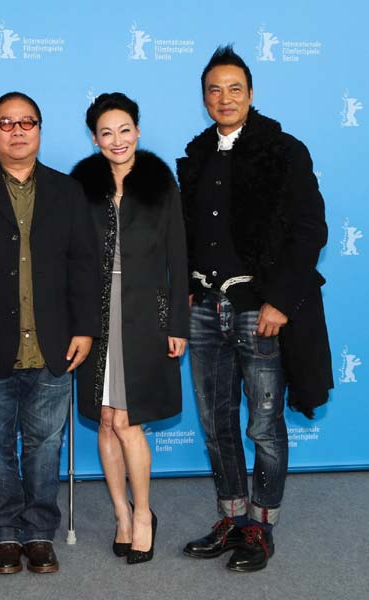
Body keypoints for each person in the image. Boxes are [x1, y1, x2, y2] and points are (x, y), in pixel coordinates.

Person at [177, 45, 332, 572]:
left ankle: (261, 527)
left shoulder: (284, 151)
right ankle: (231, 517)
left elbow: (310, 229)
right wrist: (188, 285)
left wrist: (280, 301)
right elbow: (188, 232)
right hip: (205, 309)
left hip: (259, 310)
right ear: (204, 98)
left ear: (251, 94)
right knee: (215, 422)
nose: (224, 98)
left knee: (263, 424)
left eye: (234, 88)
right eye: (214, 90)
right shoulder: (197, 155)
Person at [0, 92, 100, 574]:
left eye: (26, 122)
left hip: (54, 344)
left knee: (46, 446)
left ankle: (40, 531)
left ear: (39, 130)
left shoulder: (67, 191)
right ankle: (6, 530)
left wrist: (85, 328)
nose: (17, 131)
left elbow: (84, 265)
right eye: (6, 123)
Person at [70, 92, 188, 565]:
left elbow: (178, 255)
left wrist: (178, 322)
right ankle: (120, 513)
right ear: (95, 139)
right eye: (106, 133)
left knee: (128, 420)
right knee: (104, 419)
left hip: (144, 316)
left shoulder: (160, 183)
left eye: (124, 130)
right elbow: (70, 256)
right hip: (94, 316)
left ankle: (143, 515)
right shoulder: (81, 186)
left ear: (137, 131)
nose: (117, 140)